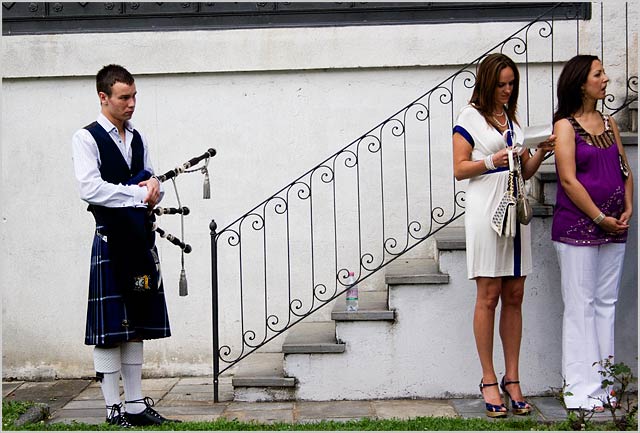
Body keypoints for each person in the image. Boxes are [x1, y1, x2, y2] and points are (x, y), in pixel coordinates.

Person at [72, 64, 179, 427]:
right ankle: (112, 408)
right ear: (104, 97)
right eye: (124, 97)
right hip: (111, 244)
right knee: (110, 328)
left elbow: (151, 178)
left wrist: (153, 189)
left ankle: (134, 404)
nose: (131, 103)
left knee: (137, 321)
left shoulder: (138, 137)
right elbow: (91, 188)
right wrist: (136, 192)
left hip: (140, 243)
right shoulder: (86, 139)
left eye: (134, 96)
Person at [452, 53, 555, 418]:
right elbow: (459, 168)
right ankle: (488, 378)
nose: (508, 90)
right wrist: (492, 161)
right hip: (486, 210)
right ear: (487, 83)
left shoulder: (512, 118)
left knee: (515, 292)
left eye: (512, 83)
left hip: (514, 205)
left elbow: (523, 171)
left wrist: (540, 152)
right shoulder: (470, 118)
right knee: (489, 293)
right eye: (501, 84)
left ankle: (513, 378)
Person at [552, 55, 633, 412]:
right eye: (598, 74)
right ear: (580, 82)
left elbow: (625, 169)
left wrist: (628, 206)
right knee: (580, 306)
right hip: (577, 227)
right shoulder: (565, 126)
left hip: (616, 226)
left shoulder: (609, 122)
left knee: (606, 304)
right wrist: (600, 216)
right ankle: (579, 389)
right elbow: (568, 180)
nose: (606, 79)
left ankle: (604, 385)